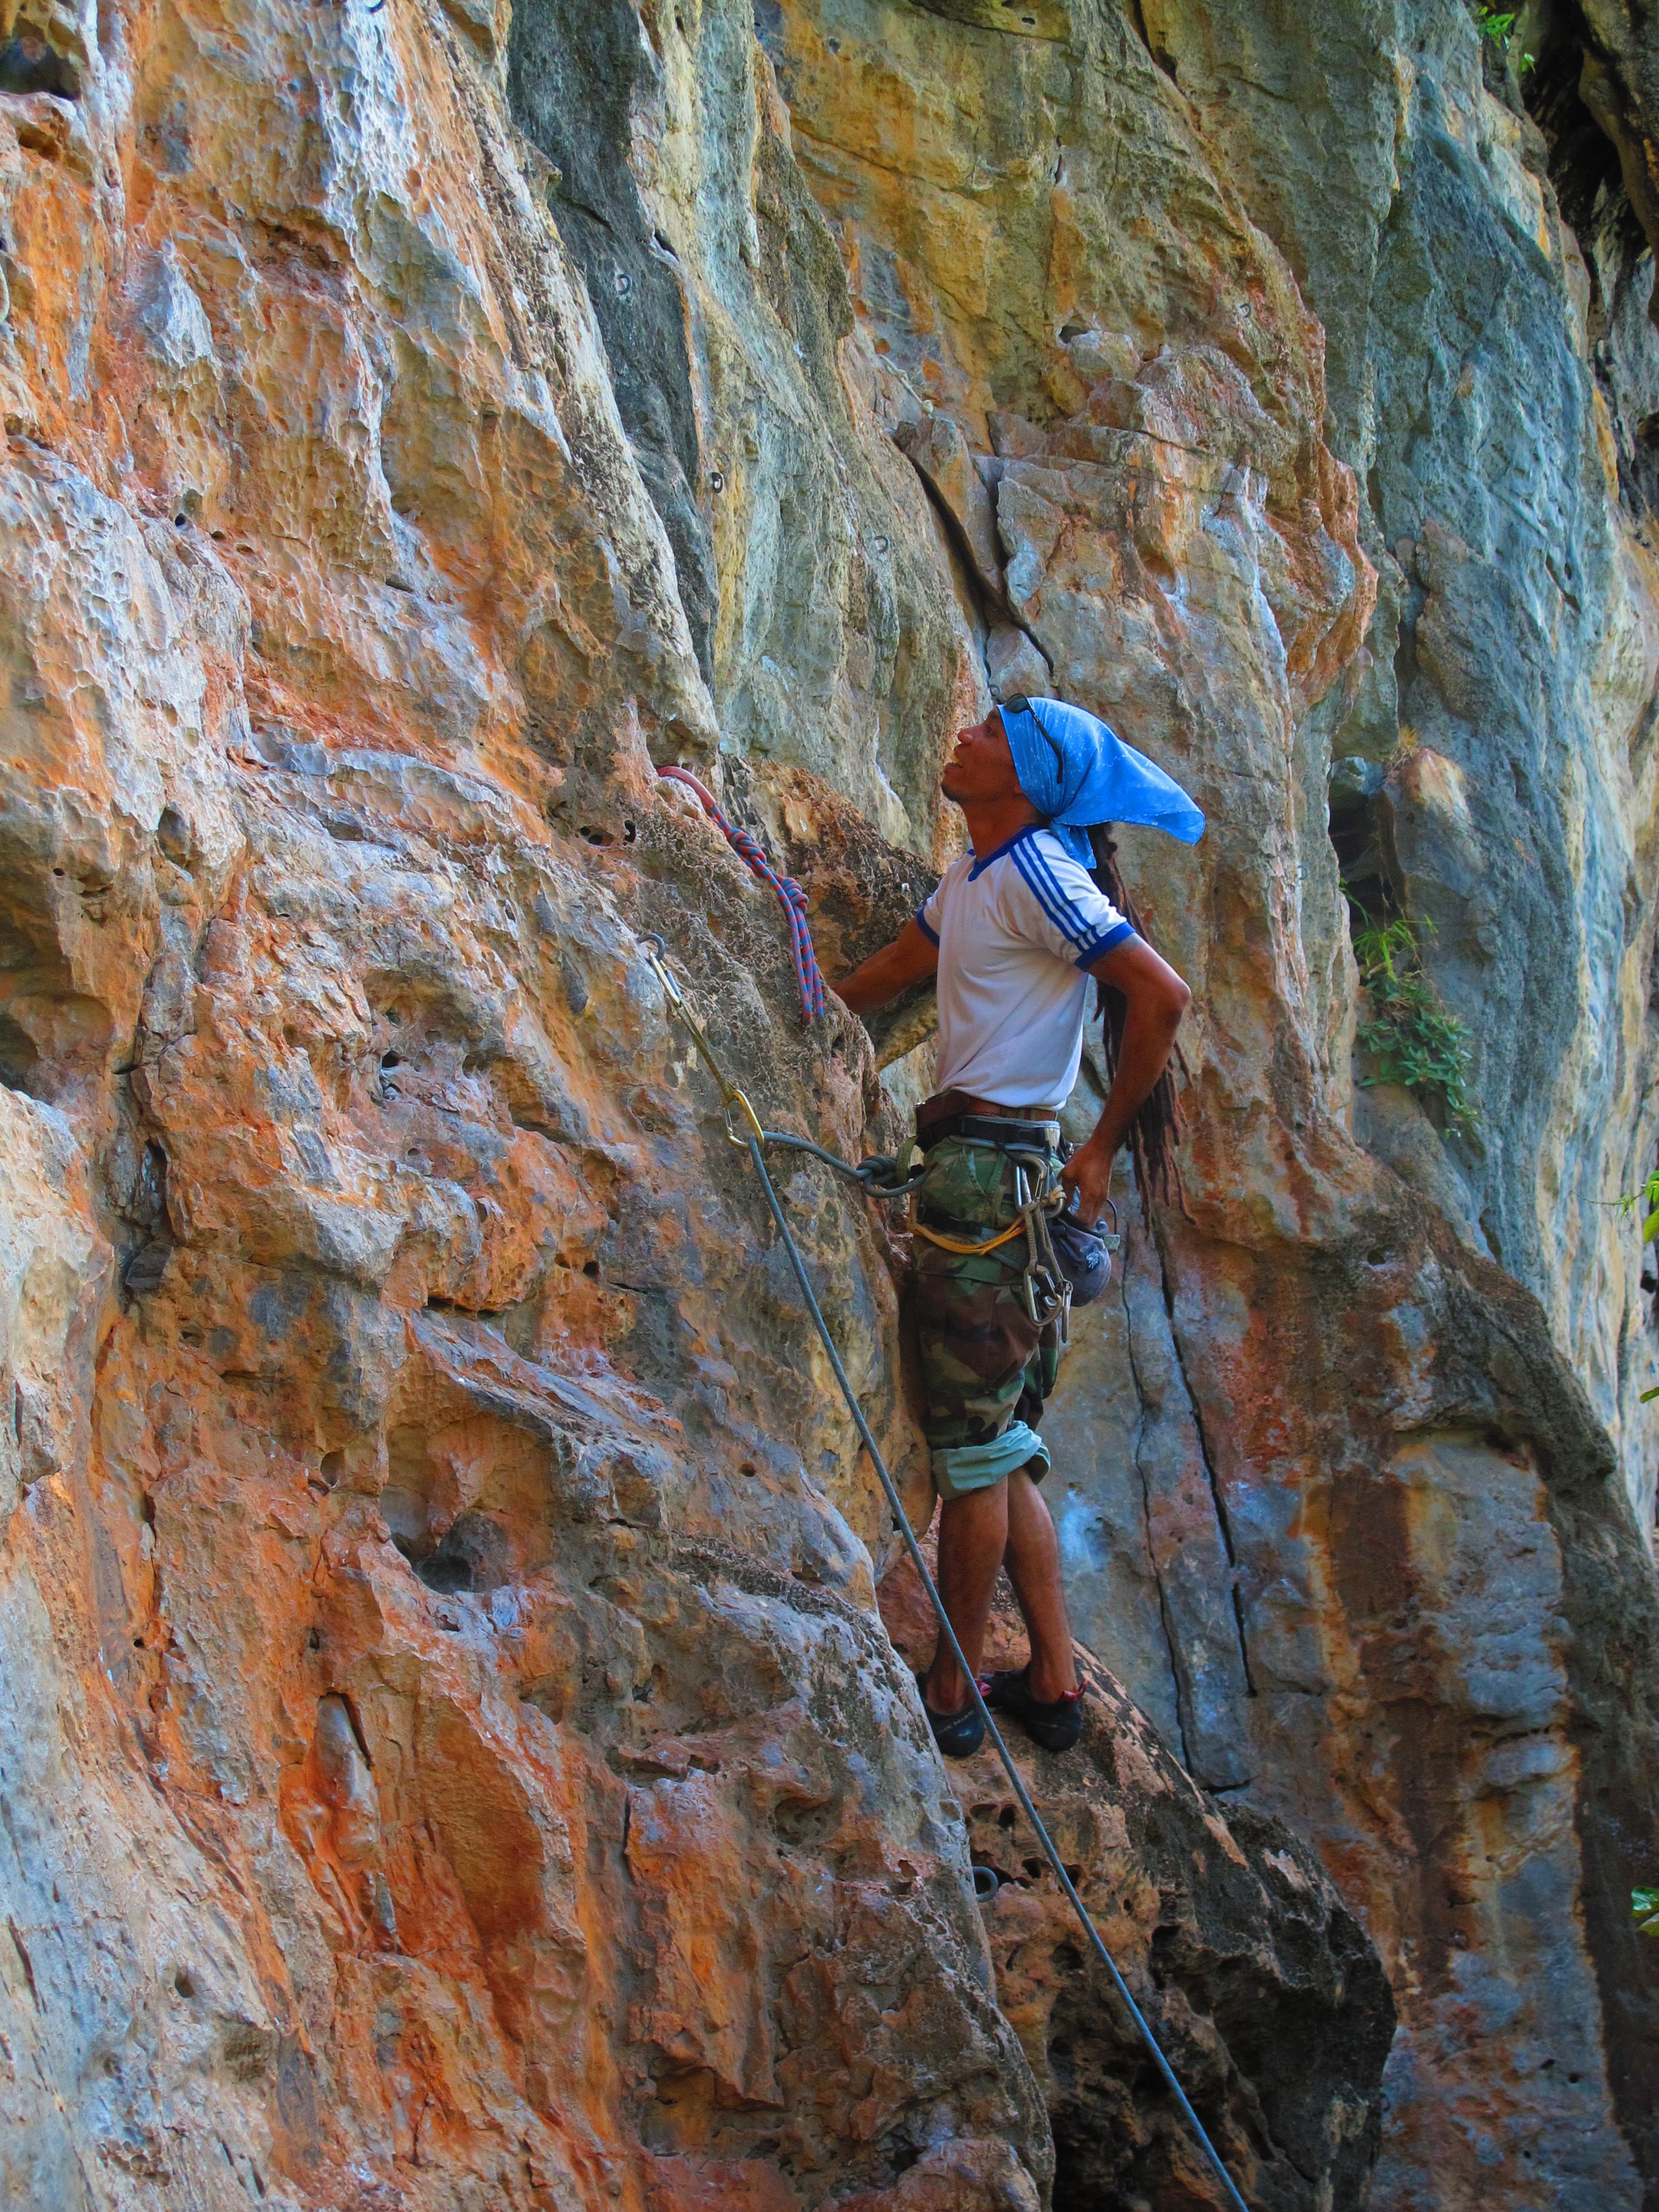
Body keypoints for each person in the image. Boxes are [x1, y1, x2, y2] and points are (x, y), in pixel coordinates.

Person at [832, 695, 1202, 1757]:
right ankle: (1050, 1679)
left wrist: (1101, 1148)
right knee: (1008, 1445)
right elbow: (899, 967)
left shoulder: (1042, 870)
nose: (961, 734)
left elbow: (1158, 996)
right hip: (992, 1177)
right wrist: (809, 1003)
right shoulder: (980, 878)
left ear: (1032, 781)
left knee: (973, 1453)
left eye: (991, 732)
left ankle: (951, 1687)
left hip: (995, 1182)